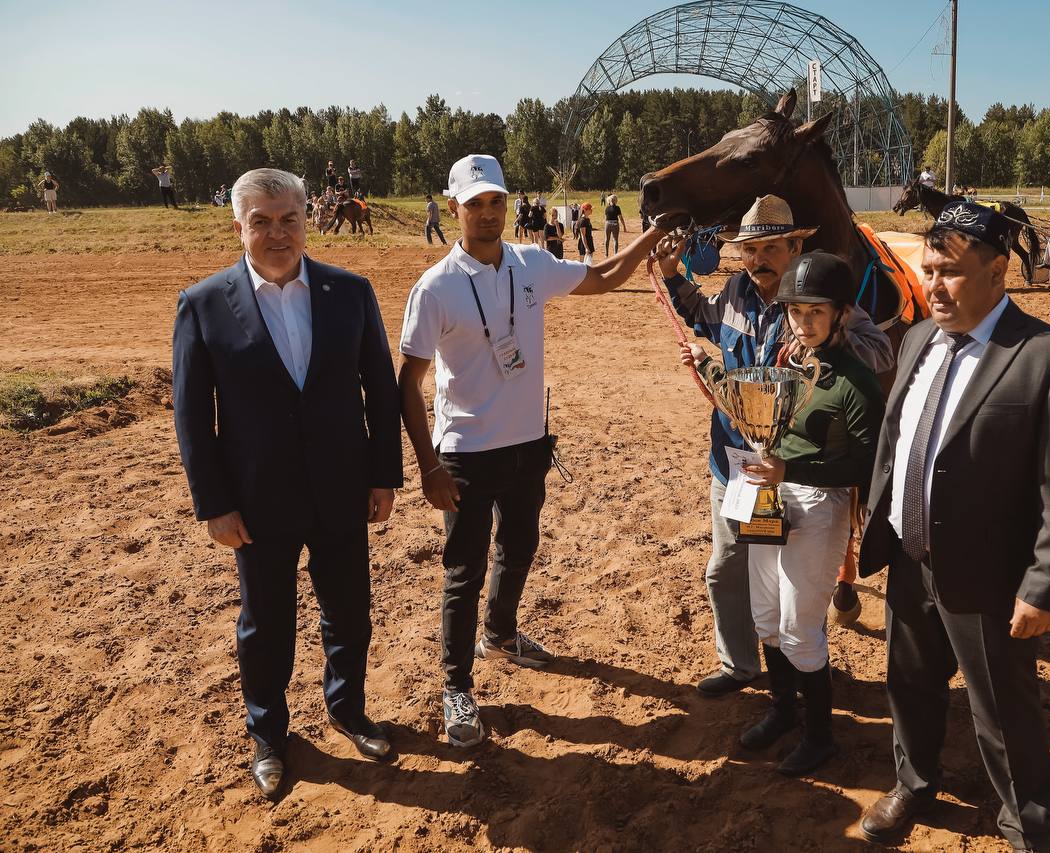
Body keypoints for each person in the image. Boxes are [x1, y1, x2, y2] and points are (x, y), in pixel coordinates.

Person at [397, 154, 669, 750]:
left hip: (527, 447)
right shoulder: (435, 287)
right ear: (454, 209)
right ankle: (456, 688)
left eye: (496, 201)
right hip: (465, 454)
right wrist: (428, 465)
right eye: (474, 204)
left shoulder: (531, 264)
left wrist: (652, 234)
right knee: (463, 571)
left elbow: (604, 276)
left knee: (519, 546)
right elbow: (407, 386)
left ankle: (501, 635)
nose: (488, 214)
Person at [855, 201, 1050, 851]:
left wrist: (1046, 584)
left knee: (1002, 713)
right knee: (908, 681)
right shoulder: (913, 340)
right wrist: (873, 520)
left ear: (997, 273)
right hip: (910, 556)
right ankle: (916, 779)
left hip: (991, 575)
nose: (932, 284)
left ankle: (1026, 823)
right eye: (927, 268)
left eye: (951, 272)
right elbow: (894, 439)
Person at [172, 168, 403, 799]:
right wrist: (213, 504)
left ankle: (348, 709)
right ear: (238, 224)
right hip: (256, 501)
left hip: (342, 490)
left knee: (350, 614)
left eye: (289, 219)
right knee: (265, 623)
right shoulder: (203, 304)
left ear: (307, 218)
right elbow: (191, 415)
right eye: (262, 221)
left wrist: (384, 474)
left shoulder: (350, 292)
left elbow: (380, 392)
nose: (278, 233)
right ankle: (269, 733)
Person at [655, 194, 894, 698]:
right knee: (726, 572)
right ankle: (741, 665)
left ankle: (804, 670)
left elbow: (879, 353)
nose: (757, 259)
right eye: (749, 250)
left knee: (794, 588)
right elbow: (701, 313)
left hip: (797, 470)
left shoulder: (820, 300)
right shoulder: (735, 291)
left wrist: (820, 338)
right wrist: (675, 276)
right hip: (736, 461)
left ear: (793, 246)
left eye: (768, 248)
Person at [683, 251, 885, 776]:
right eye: (796, 312)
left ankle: (820, 737)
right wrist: (706, 365)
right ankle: (781, 711)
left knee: (799, 629)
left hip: (820, 506)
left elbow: (868, 461)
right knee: (766, 618)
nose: (804, 322)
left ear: (842, 313)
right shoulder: (787, 364)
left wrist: (793, 471)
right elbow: (749, 404)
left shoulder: (855, 380)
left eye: (816, 312)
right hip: (766, 495)